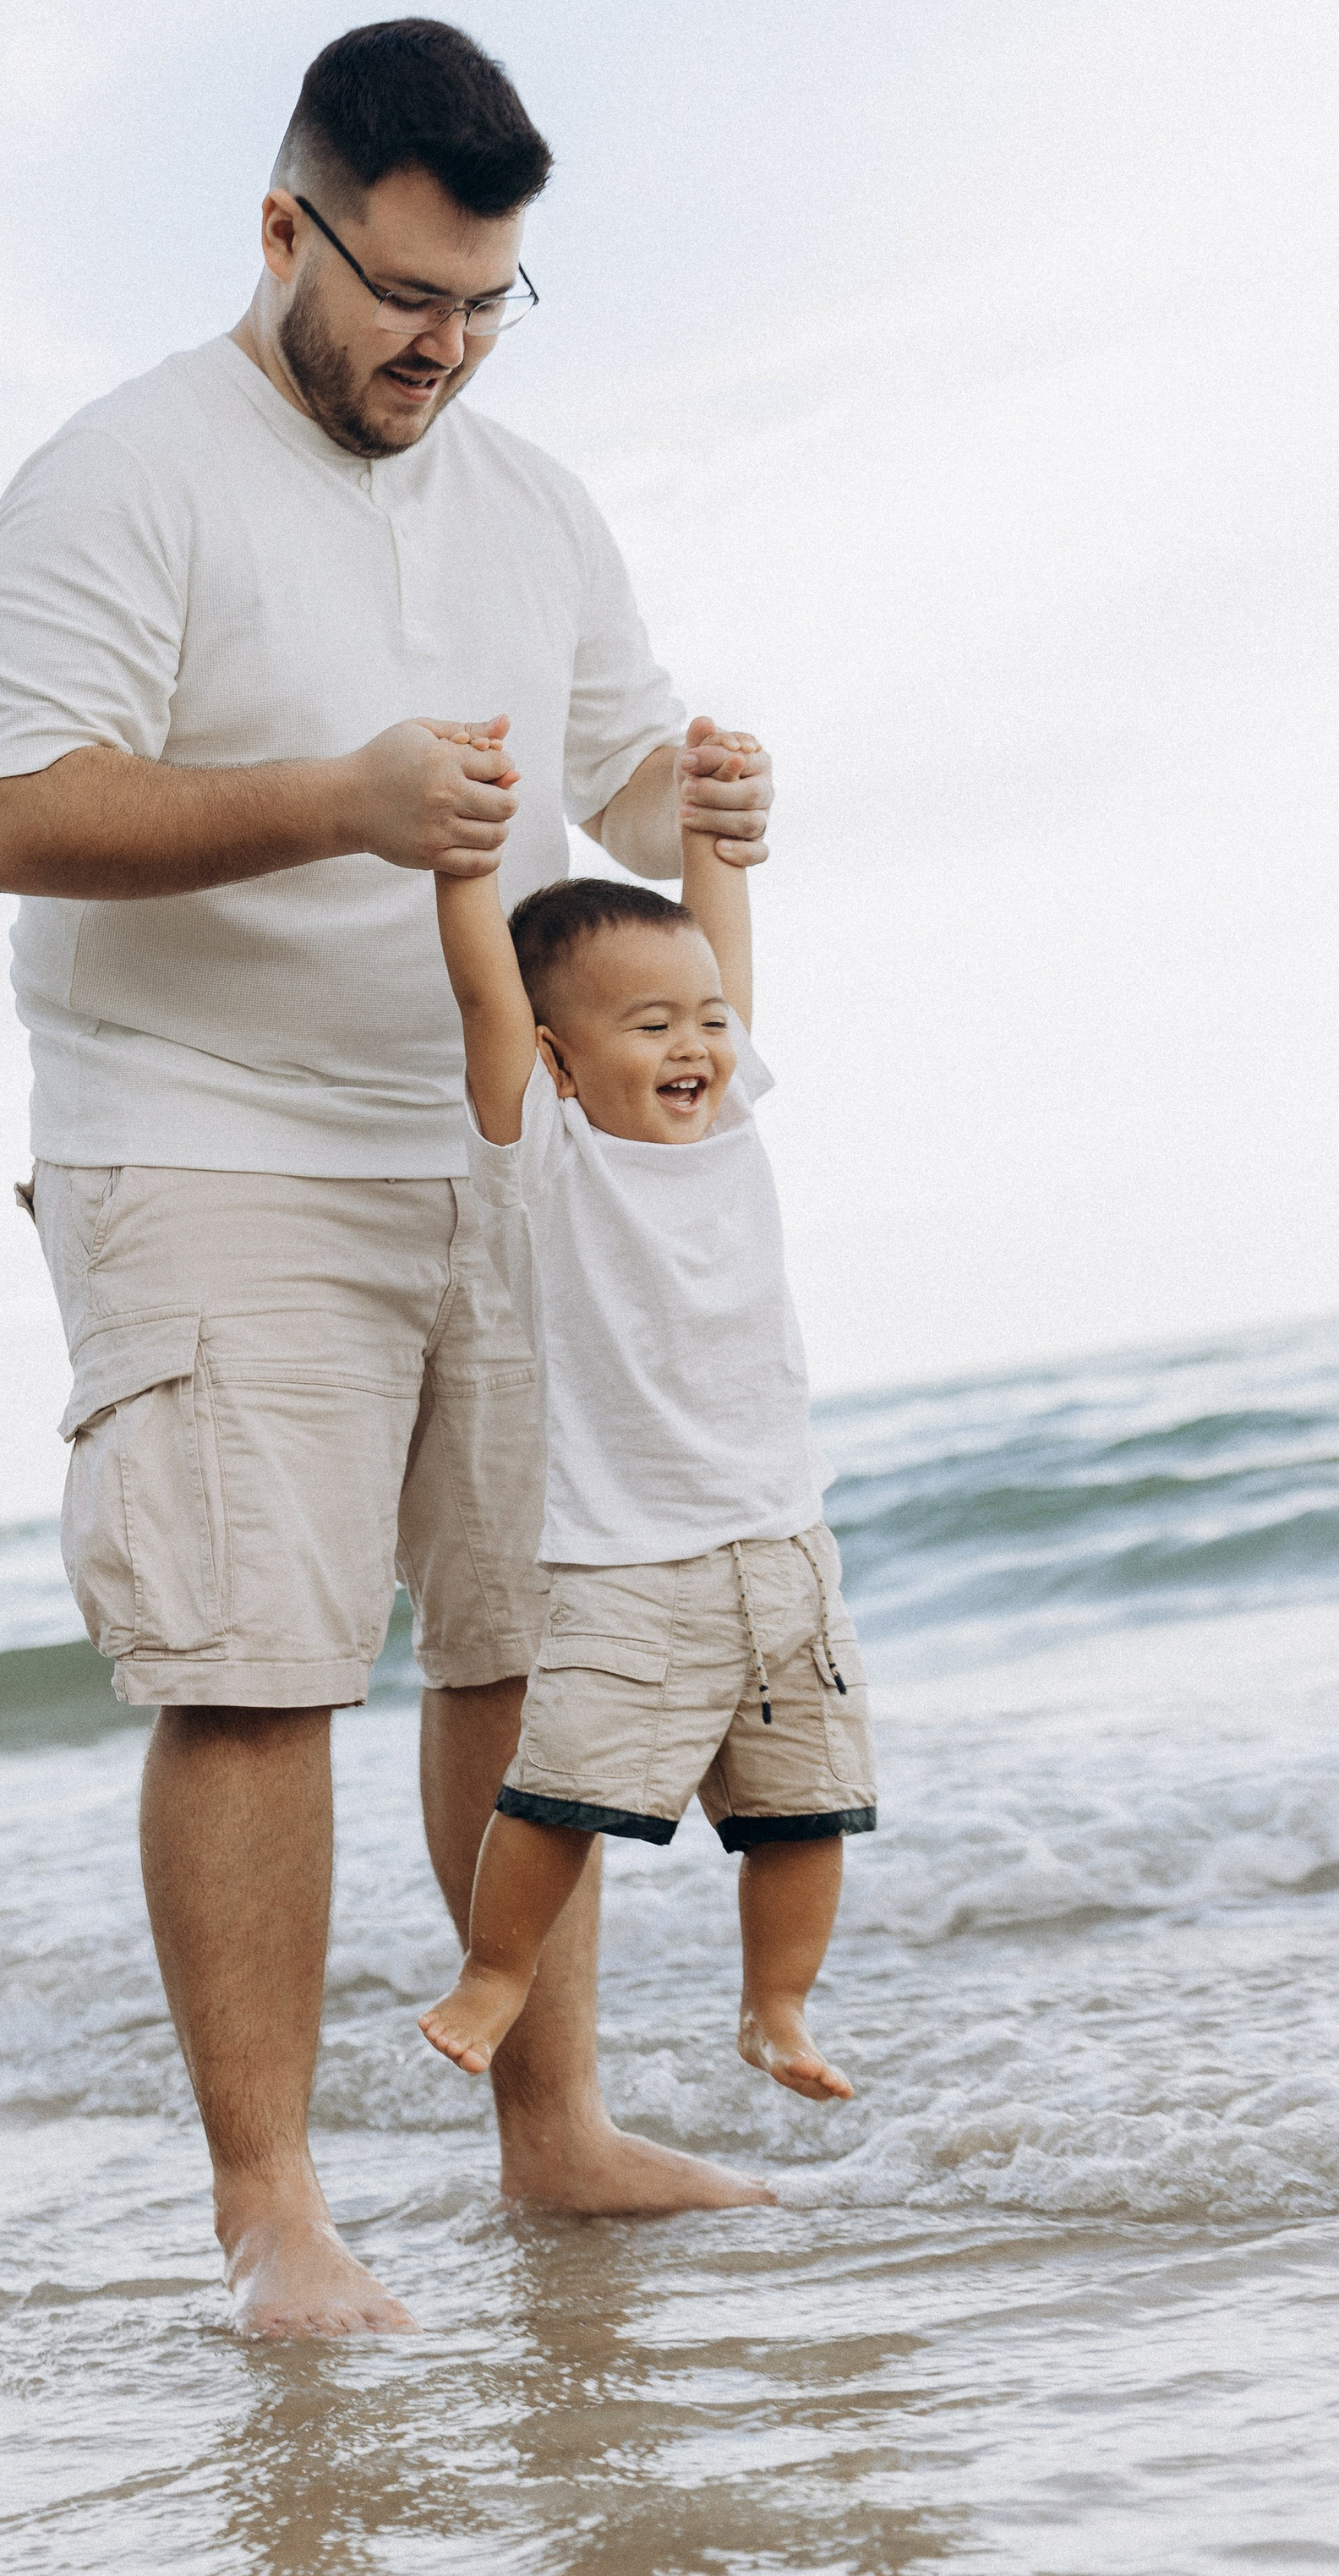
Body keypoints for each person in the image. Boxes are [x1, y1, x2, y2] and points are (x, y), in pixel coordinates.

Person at [0, 19, 779, 2338]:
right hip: (204, 1149)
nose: (444, 344)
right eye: (405, 294)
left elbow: (601, 784)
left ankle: (554, 2136)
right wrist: (338, 794)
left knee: (526, 1654)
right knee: (253, 1667)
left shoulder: (530, 497)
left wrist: (698, 815)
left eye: (488, 300)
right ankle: (274, 2215)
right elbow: (14, 813)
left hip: (498, 1135)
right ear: (284, 228)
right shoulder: (119, 477)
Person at [417, 746, 877, 2100]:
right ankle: (497, 1975)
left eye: (708, 1021)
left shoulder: (730, 1120)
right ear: (560, 1064)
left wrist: (706, 836)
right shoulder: (549, 1165)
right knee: (558, 1797)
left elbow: (720, 945)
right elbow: (486, 1000)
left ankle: (777, 2006)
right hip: (629, 1562)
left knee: (806, 1806)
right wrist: (463, 870)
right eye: (651, 1026)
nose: (695, 1046)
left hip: (786, 1544)